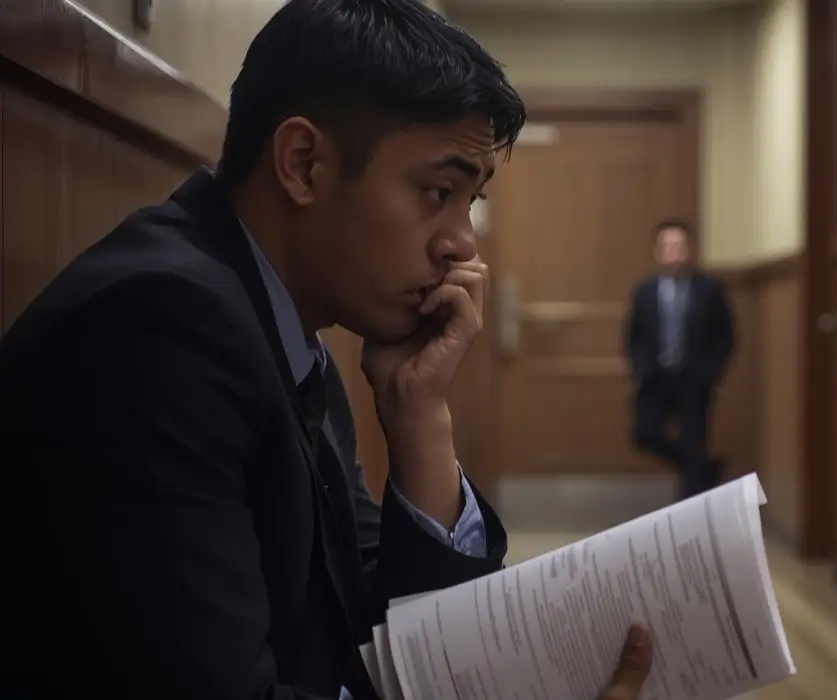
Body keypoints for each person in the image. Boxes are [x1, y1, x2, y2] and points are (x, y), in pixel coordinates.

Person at [0, 1, 653, 697]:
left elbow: (379, 640)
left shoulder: (282, 325)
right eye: (438, 191)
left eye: (471, 202)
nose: (463, 244)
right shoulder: (159, 328)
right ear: (304, 163)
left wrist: (421, 415)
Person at [624, 219, 735, 500]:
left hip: (694, 380)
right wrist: (640, 367)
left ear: (688, 250)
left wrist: (710, 372)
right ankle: (702, 467)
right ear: (657, 251)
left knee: (693, 444)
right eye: (667, 246)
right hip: (654, 378)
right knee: (644, 434)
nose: (673, 251)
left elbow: (726, 335)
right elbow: (632, 335)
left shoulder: (709, 289)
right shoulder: (644, 291)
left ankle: (689, 514)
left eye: (679, 245)